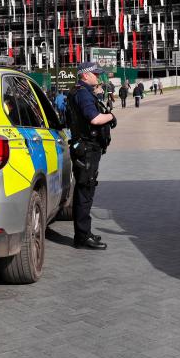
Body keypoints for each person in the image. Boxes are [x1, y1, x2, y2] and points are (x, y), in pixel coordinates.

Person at [65, 61, 116, 250]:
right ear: (85, 75)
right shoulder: (83, 94)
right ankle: (82, 237)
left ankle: (84, 232)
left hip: (84, 148)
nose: (98, 76)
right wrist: (111, 116)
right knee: (85, 192)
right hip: (87, 149)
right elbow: (94, 118)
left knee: (85, 190)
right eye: (95, 73)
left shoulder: (79, 91)